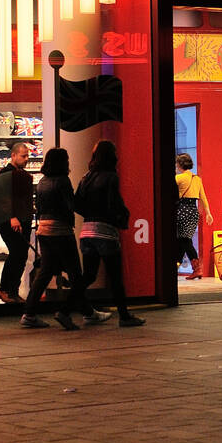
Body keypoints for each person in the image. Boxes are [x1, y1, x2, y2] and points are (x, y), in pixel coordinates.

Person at [20, 147, 112, 329]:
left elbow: (38, 206)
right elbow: (72, 205)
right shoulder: (62, 181)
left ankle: (29, 313)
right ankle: (81, 313)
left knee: (45, 273)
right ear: (63, 162)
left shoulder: (43, 181)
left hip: (43, 231)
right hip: (61, 231)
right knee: (76, 273)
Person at [75, 140, 145, 327]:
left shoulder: (86, 177)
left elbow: (77, 203)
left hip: (87, 231)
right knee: (115, 276)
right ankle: (124, 316)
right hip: (105, 232)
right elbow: (114, 203)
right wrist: (121, 217)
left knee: (88, 275)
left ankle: (65, 308)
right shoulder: (110, 176)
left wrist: (91, 214)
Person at [0, 141, 35, 304]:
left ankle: (12, 290)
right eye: (23, 156)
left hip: (22, 220)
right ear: (13, 155)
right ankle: (5, 289)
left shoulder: (21, 174)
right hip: (10, 222)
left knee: (21, 255)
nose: (26, 159)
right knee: (17, 254)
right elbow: (2, 198)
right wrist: (12, 217)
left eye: (27, 156)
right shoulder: (6, 173)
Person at [175, 153, 212, 280]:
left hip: (182, 210)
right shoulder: (197, 179)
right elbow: (203, 197)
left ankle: (197, 269)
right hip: (193, 211)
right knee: (182, 240)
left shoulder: (178, 179)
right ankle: (177, 265)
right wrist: (208, 213)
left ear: (180, 165)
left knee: (184, 240)